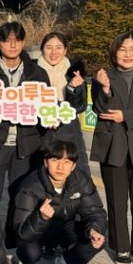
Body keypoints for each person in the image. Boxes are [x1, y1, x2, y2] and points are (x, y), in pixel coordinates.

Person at [0, 22, 50, 245]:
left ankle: (14, 242)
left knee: (21, 195)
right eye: (7, 40)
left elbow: (46, 107)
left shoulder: (37, 73)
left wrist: (49, 119)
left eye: (18, 40)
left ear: (23, 43)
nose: (13, 45)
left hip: (26, 145)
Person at [91, 31, 133, 264]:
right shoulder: (103, 77)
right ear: (114, 52)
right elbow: (100, 109)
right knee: (116, 201)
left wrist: (126, 116)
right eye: (122, 49)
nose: (128, 54)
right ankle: (120, 247)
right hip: (113, 146)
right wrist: (105, 89)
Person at [12, 140, 107, 264]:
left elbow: (95, 211)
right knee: (31, 252)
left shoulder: (81, 180)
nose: (60, 167)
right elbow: (22, 232)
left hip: (65, 226)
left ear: (73, 166)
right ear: (46, 162)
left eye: (67, 162)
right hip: (39, 230)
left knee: (99, 238)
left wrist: (94, 229)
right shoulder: (30, 186)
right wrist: (40, 217)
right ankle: (25, 263)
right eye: (55, 160)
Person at [37, 32, 90, 176]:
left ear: (65, 50)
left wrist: (73, 89)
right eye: (49, 47)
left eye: (59, 48)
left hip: (69, 135)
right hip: (40, 136)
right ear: (42, 49)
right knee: (42, 180)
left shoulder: (75, 73)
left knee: (76, 180)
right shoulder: (32, 72)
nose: (54, 52)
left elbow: (80, 106)